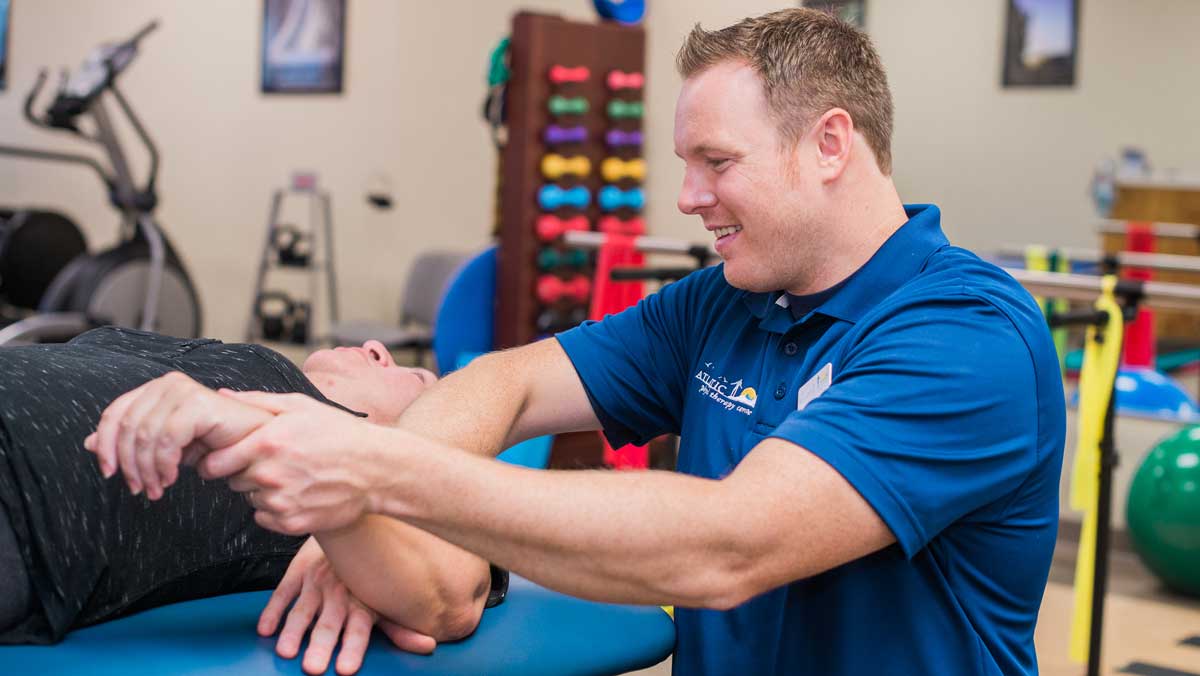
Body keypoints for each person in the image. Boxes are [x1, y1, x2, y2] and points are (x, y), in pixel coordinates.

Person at [94, 9, 1066, 675]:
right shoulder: (721, 303)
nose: (686, 198)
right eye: (683, 165)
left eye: (716, 162)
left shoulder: (967, 337)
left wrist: (370, 475)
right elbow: (512, 382)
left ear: (829, 145)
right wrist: (367, 536)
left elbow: (729, 546)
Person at [1, 326, 502, 676]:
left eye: (415, 379)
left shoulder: (338, 484)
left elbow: (464, 569)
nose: (377, 347)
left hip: (23, 499)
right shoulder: (240, 359)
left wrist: (374, 529)